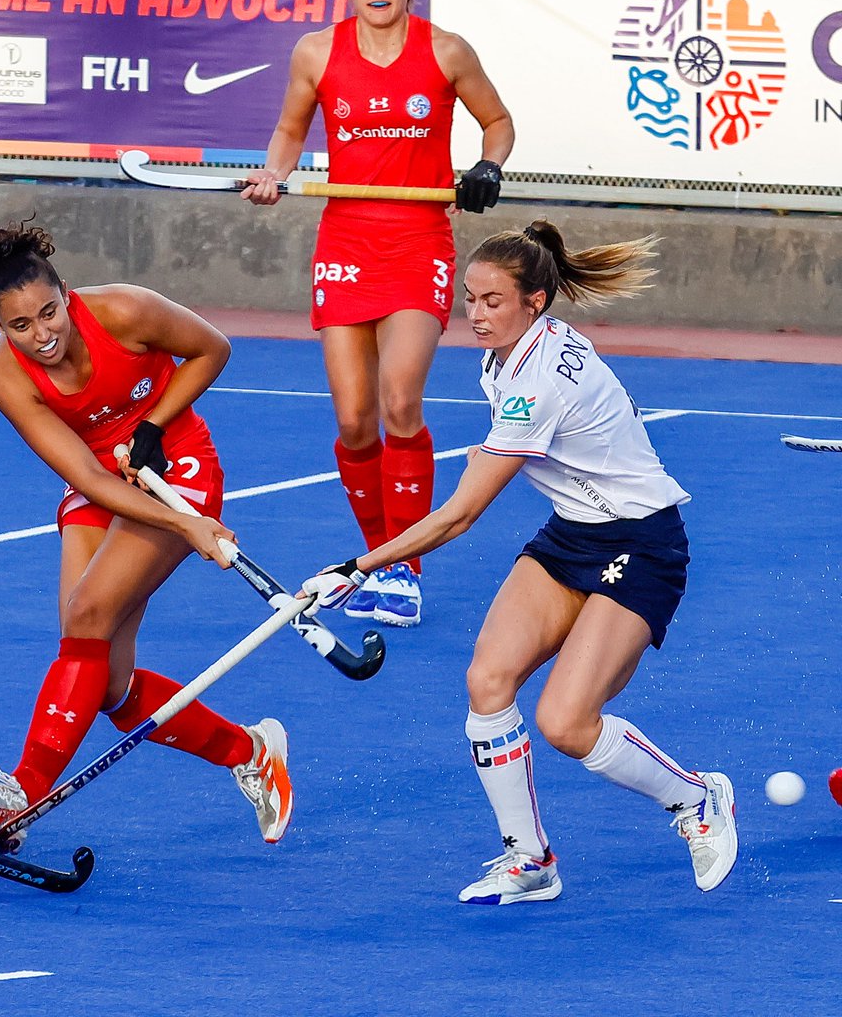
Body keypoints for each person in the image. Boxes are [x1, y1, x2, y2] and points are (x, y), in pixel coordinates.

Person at [301, 221, 738, 903]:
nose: (474, 315)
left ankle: (697, 799)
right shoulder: (507, 357)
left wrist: (355, 567)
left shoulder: (536, 381)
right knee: (489, 680)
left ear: (534, 301)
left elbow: (459, 517)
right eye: (469, 300)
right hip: (574, 535)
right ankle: (529, 859)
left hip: (642, 543)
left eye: (492, 302)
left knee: (567, 723)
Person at [0, 223, 293, 849]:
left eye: (49, 313)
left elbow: (213, 349)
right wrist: (184, 527)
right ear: (1, 330)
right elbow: (82, 472)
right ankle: (251, 752)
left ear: (68, 295)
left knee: (88, 611)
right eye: (20, 327)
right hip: (101, 482)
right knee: (108, 682)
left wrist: (157, 426)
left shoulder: (125, 310)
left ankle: (23, 794)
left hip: (178, 465)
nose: (42, 335)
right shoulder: (6, 377)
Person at [243, 0, 514, 628]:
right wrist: (275, 172)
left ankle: (403, 568)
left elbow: (499, 122)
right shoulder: (315, 53)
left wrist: (488, 166)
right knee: (355, 419)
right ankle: (377, 560)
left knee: (399, 401)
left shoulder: (447, 51)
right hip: (346, 244)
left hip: (419, 240)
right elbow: (290, 131)